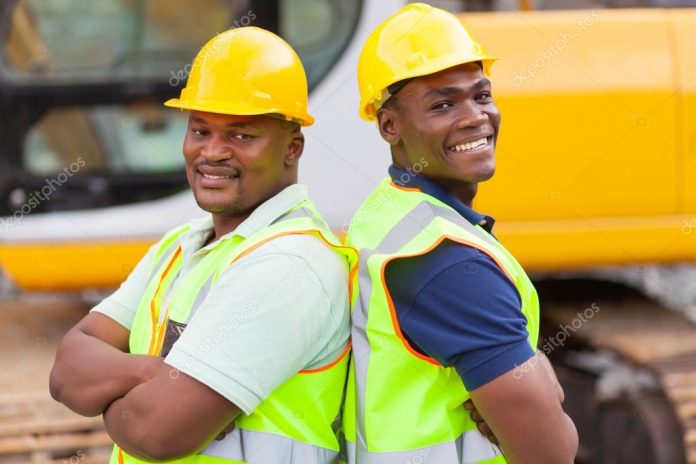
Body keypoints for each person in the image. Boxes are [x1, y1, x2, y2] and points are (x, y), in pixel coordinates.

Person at [49, 26, 356, 464]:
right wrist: (152, 371)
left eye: (241, 135)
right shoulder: (182, 244)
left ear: (292, 148)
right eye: (200, 131)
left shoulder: (291, 263)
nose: (212, 152)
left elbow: (157, 433)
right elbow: (66, 371)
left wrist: (114, 389)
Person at [342, 4, 578, 463]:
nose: (474, 117)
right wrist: (544, 383)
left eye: (482, 95)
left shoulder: (389, 210)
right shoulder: (446, 260)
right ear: (389, 125)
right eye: (443, 104)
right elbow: (552, 452)